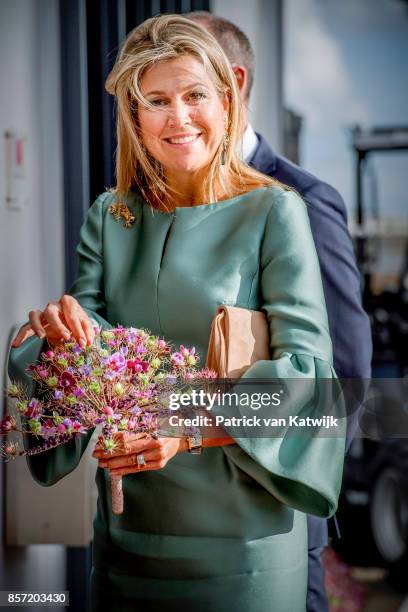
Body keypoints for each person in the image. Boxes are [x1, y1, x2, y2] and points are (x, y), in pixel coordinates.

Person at [9, 14, 346, 612]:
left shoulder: (275, 211)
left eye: (195, 95)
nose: (179, 117)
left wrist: (183, 426)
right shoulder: (110, 217)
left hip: (245, 552)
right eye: (156, 100)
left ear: (228, 100)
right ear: (134, 117)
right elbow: (78, 374)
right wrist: (52, 341)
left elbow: (310, 387)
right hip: (127, 542)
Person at [186, 11, 373, 612]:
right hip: (172, 523)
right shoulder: (145, 206)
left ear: (234, 83)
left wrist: (286, 481)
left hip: (272, 517)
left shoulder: (305, 201)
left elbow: (344, 375)